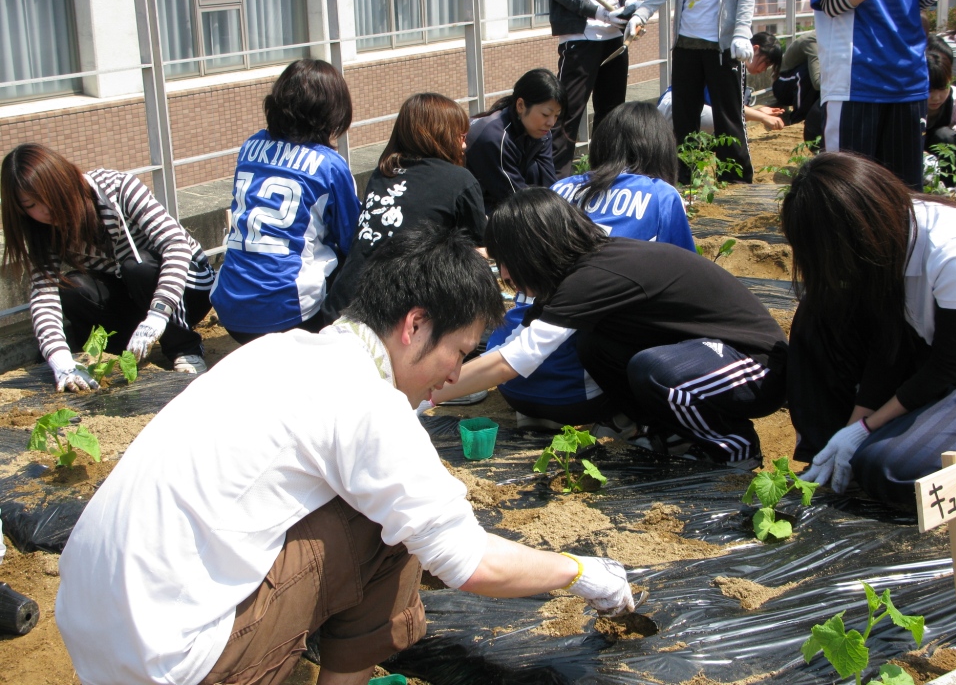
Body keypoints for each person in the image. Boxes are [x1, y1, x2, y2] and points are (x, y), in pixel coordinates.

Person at [55, 224, 634, 685]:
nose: (457, 374)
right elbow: (468, 562)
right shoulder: (367, 402)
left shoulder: (284, 350)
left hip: (94, 635)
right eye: (458, 351)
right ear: (415, 325)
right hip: (173, 662)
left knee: (369, 507)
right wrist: (582, 573)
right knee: (394, 532)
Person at [432, 188, 787, 469]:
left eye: (504, 262)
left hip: (756, 366)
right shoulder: (576, 274)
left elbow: (512, 361)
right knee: (594, 345)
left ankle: (735, 449)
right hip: (705, 359)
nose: (504, 275)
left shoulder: (594, 276)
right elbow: (510, 345)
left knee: (655, 371)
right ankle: (663, 430)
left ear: (531, 251)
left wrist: (420, 396)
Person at [781, 153, 956, 516]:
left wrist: (866, 427)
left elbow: (948, 364)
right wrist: (846, 433)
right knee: (818, 312)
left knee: (891, 471)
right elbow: (889, 342)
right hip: (926, 353)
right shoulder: (888, 235)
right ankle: (827, 458)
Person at [491, 102, 696, 430]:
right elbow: (686, 287)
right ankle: (628, 420)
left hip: (508, 379)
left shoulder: (561, 188)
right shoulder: (661, 197)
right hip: (579, 394)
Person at [0, 144, 214, 385]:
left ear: (65, 180)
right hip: (136, 302)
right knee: (72, 288)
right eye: (30, 206)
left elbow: (176, 246)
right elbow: (43, 295)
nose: (45, 210)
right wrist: (59, 359)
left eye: (49, 197)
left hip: (187, 289)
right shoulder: (44, 231)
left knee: (137, 266)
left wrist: (158, 313)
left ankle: (185, 349)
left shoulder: (118, 187)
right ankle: (110, 356)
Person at [210, 59, 360, 343]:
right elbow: (353, 239)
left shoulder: (250, 146)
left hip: (231, 307)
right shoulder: (330, 165)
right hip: (288, 315)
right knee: (352, 259)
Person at [804, 0, 947, 190]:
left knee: (905, 192)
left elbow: (917, 2)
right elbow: (829, 2)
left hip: (908, 79)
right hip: (855, 80)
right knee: (848, 191)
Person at [323, 93, 486, 319]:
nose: (464, 145)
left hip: (341, 301)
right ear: (442, 135)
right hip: (390, 314)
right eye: (460, 136)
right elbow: (477, 248)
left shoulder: (384, 171)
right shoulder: (459, 180)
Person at [626, 0, 759, 183]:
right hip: (686, 44)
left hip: (723, 48)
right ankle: (684, 181)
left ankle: (735, 183)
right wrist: (642, 14)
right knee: (684, 119)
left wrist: (742, 32)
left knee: (728, 119)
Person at [547, 0, 636, 177]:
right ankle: (555, 185)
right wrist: (598, 12)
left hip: (614, 37)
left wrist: (630, 3)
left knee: (611, 113)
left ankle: (604, 177)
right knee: (567, 115)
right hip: (580, 37)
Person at [464, 68, 566, 215]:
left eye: (556, 115)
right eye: (546, 114)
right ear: (520, 106)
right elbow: (517, 199)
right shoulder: (494, 138)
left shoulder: (541, 133)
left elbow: (550, 184)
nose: (551, 122)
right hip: (474, 207)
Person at [657, 32, 787, 133]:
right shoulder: (729, 62)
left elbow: (729, 109)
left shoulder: (737, 66)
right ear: (755, 48)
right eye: (766, 63)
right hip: (674, 106)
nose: (764, 69)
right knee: (726, 123)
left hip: (680, 108)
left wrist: (759, 111)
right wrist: (762, 116)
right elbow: (727, 110)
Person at [923, 34, 956, 186]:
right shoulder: (909, 101)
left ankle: (946, 185)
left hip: (944, 157)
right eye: (930, 90)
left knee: (945, 136)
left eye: (942, 89)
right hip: (916, 154)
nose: (936, 97)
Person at [771, 31, 822, 147]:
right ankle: (796, 119)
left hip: (797, 82)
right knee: (809, 73)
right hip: (783, 84)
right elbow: (817, 83)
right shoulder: (813, 41)